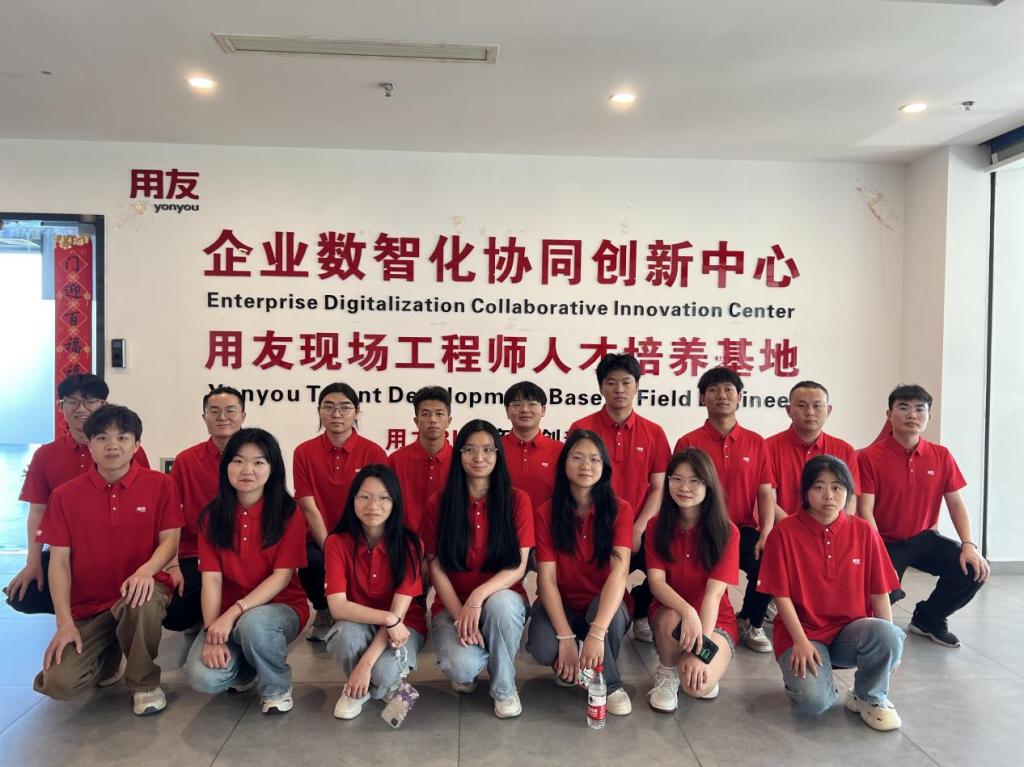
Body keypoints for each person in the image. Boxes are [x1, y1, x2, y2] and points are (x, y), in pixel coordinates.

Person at [32, 405, 181, 715]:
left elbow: (170, 541)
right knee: (59, 684)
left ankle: (144, 683)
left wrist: (146, 571)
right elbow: (59, 563)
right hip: (90, 605)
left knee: (142, 597)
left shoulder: (161, 484)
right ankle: (108, 657)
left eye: (122, 437)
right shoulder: (65, 495)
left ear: (137, 445)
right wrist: (64, 624)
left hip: (141, 591)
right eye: (102, 438)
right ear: (90, 445)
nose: (112, 445)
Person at [757, 455, 905, 731]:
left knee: (889, 635)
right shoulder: (784, 533)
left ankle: (868, 696)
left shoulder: (864, 531)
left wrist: (891, 646)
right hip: (802, 632)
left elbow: (879, 591)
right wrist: (800, 641)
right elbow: (781, 596)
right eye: (819, 487)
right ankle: (803, 682)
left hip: (850, 631)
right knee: (813, 703)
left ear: (848, 491)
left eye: (837, 487)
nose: (829, 495)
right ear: (805, 493)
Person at [183, 428, 308, 715]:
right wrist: (211, 631)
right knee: (203, 677)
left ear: (272, 469)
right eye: (238, 461)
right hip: (227, 613)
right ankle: (249, 667)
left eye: (258, 462)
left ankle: (276, 688)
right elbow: (211, 580)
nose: (247, 470)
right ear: (226, 466)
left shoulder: (288, 513)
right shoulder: (212, 517)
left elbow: (281, 577)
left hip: (280, 608)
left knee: (255, 623)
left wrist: (233, 613)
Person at [857, 384, 989, 648]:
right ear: (889, 414)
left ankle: (929, 619)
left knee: (974, 570)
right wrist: (877, 552)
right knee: (880, 597)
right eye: (903, 408)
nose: (912, 415)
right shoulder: (870, 457)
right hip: (884, 541)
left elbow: (955, 503)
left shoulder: (941, 455)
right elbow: (864, 510)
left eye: (920, 409)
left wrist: (969, 545)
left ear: (929, 415)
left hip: (924, 539)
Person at [6, 374, 150, 614]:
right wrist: (33, 562)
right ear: (60, 406)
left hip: (119, 548)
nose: (81, 409)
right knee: (24, 595)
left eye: (90, 401)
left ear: (103, 405)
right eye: (72, 402)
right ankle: (78, 612)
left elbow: (146, 499)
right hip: (67, 550)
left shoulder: (127, 451)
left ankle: (101, 612)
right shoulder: (45, 455)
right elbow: (37, 511)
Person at [422, 419, 534, 719]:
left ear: (498, 454)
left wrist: (477, 597)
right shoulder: (438, 503)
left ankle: (504, 688)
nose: (479, 457)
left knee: (501, 605)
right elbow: (435, 565)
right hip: (452, 604)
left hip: (503, 598)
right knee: (461, 667)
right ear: (458, 454)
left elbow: (518, 565)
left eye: (487, 449)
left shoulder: (517, 500)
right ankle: (481, 655)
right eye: (470, 449)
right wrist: (462, 616)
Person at [526, 430, 634, 716]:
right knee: (543, 646)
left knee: (607, 618)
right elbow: (547, 580)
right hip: (561, 604)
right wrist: (564, 638)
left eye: (594, 459)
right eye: (577, 458)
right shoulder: (546, 513)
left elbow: (619, 573)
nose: (586, 465)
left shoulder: (620, 510)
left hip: (603, 604)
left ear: (604, 466)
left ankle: (609, 684)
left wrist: (596, 633)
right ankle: (570, 663)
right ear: (564, 464)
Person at [568, 354, 670, 643]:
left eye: (626, 382)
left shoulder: (654, 432)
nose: (619, 389)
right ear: (601, 387)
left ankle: (641, 609)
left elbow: (658, 488)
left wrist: (638, 527)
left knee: (669, 566)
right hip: (593, 524)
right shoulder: (582, 428)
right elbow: (573, 480)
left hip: (639, 525)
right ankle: (591, 621)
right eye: (611, 383)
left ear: (637, 386)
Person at [674, 366, 775, 653]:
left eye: (729, 389)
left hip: (741, 530)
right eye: (714, 390)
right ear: (702, 398)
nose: (722, 395)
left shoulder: (756, 442)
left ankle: (750, 621)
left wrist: (766, 531)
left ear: (740, 397)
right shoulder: (689, 442)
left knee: (769, 560)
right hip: (698, 528)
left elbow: (765, 492)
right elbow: (677, 490)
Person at [325, 465, 426, 720]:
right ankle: (360, 689)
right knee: (344, 637)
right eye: (364, 497)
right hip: (357, 623)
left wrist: (366, 664)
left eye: (383, 498)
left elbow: (398, 615)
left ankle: (366, 681)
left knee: (383, 672)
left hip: (404, 627)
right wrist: (387, 618)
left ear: (395, 502)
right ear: (353, 500)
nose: (373, 505)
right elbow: (337, 607)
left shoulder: (410, 545)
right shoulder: (336, 542)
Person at [646, 449, 739, 711]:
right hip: (671, 614)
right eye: (676, 479)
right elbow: (656, 583)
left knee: (697, 686)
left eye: (694, 480)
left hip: (715, 620)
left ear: (708, 484)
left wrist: (703, 650)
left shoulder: (727, 532)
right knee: (671, 617)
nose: (684, 488)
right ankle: (667, 670)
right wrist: (687, 611)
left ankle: (691, 662)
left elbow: (713, 595)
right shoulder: (656, 526)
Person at [294, 383, 387, 641]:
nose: (337, 414)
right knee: (311, 561)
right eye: (329, 407)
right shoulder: (304, 452)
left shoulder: (373, 452)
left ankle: (359, 611)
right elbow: (308, 506)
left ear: (356, 412)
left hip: (362, 534)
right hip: (319, 537)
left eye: (345, 407)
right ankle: (324, 610)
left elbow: (380, 503)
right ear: (319, 411)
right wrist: (330, 547)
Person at [165, 385, 247, 631]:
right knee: (173, 614)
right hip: (196, 551)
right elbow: (171, 515)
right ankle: (204, 615)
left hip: (246, 552)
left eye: (230, 410)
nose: (223, 417)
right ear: (204, 417)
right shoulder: (186, 460)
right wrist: (172, 564)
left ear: (243, 415)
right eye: (214, 411)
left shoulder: (259, 455)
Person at [764, 380, 859, 517]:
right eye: (802, 406)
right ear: (788, 410)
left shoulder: (845, 450)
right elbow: (767, 498)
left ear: (828, 410)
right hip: (783, 528)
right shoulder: (767, 448)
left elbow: (850, 498)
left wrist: (836, 527)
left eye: (817, 406)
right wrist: (792, 527)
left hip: (833, 529)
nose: (810, 412)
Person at [387, 385, 453, 535]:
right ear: (416, 421)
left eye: (439, 413)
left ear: (449, 420)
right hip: (405, 542)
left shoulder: (460, 460)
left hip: (449, 543)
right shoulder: (395, 461)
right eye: (425, 414)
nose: (433, 420)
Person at [501, 381, 563, 514]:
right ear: (507, 411)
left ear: (543, 410)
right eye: (516, 404)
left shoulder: (560, 450)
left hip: (548, 524)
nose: (524, 409)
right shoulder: (494, 448)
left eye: (532, 403)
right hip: (503, 525)